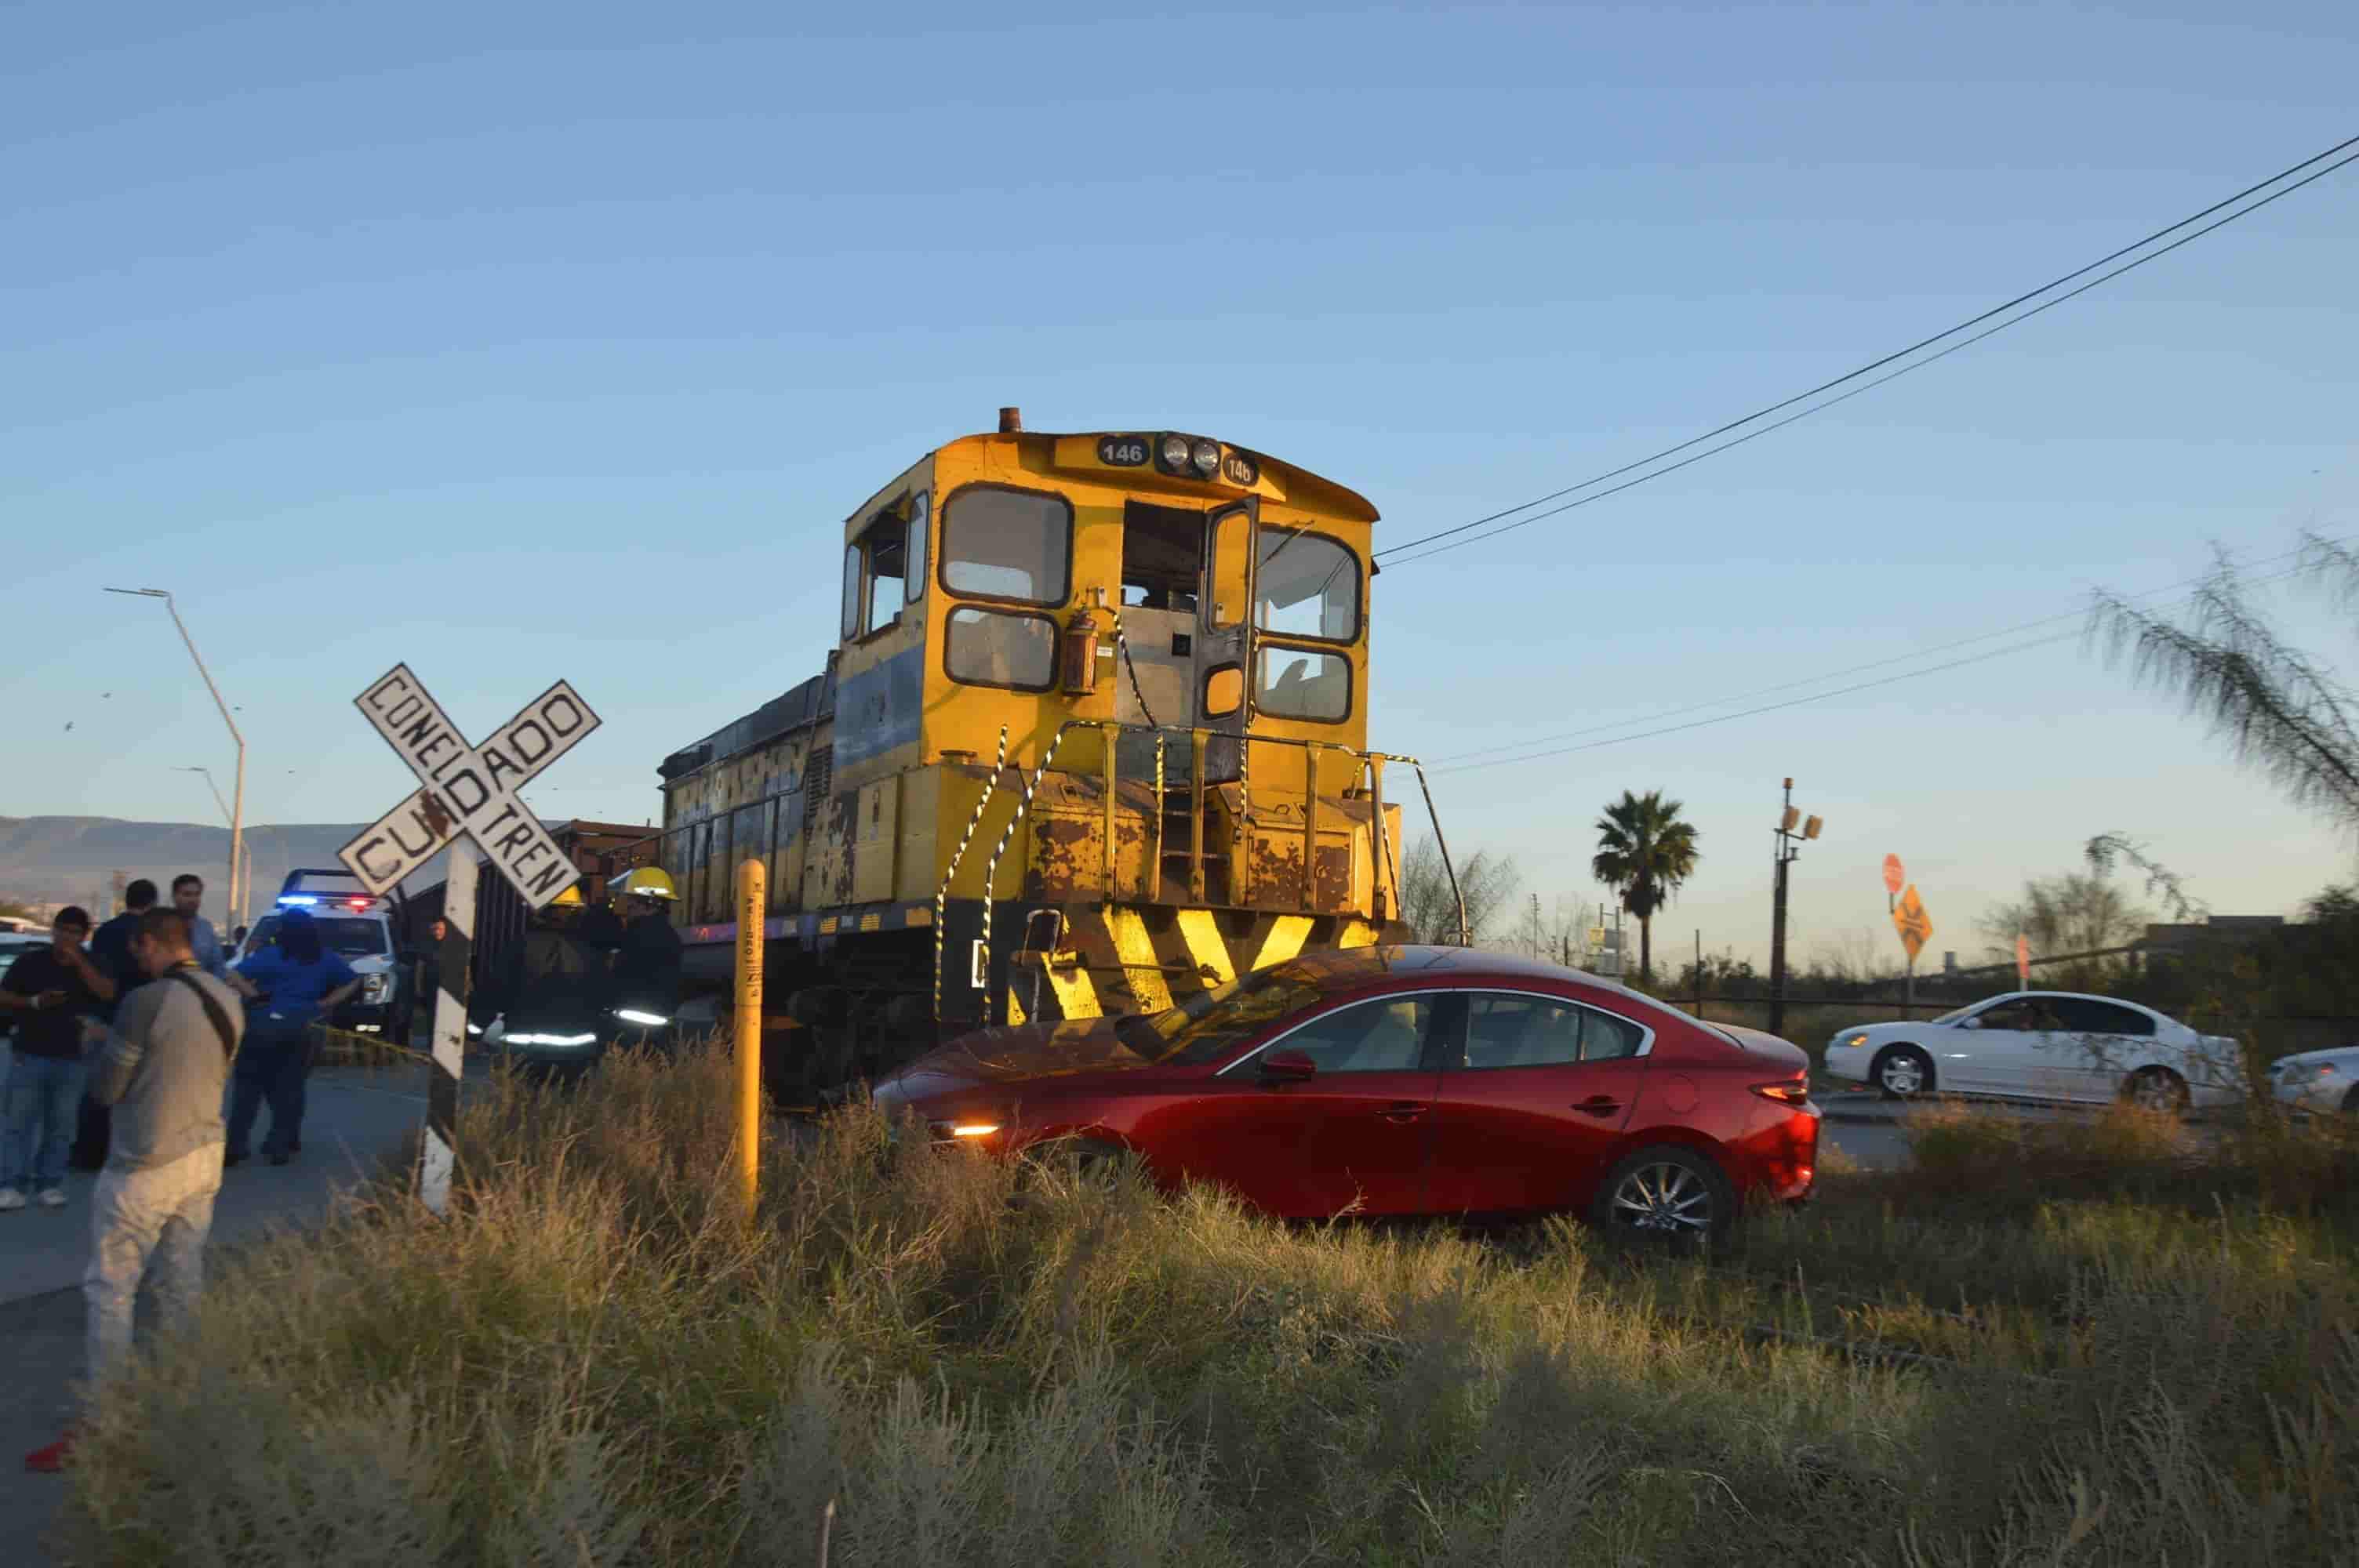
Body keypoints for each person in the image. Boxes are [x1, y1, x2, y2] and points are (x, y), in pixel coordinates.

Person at [24, 906, 242, 1474]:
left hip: (145, 1162)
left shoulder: (145, 1002)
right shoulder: (227, 995)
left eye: (139, 950)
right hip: (204, 1155)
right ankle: (177, 1404)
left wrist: (99, 1040)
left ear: (150, 944)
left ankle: (108, 1420)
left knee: (111, 1290)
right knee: (180, 1282)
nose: (136, 959)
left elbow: (106, 1090)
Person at [0, 908, 115, 1211]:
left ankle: (49, 1183)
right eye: (62, 930)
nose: (66, 937)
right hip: (29, 1050)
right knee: (19, 1122)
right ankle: (11, 1183)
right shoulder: (31, 962)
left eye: (74, 932)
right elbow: (4, 995)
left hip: (72, 1056)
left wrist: (79, 962)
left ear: (83, 936)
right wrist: (35, 1002)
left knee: (61, 1125)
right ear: (53, 930)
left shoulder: (94, 963)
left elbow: (107, 993)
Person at [224, 909, 359, 1167]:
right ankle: (280, 1146)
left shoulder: (270, 955)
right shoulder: (324, 959)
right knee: (289, 1088)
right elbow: (352, 982)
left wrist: (253, 995)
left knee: (247, 1089)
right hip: (300, 1027)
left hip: (260, 1026)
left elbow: (234, 974)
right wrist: (327, 1002)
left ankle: (236, 1145)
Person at [73, 881, 158, 1171]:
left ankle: (88, 1153)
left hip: (106, 1014)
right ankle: (129, 1153)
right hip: (142, 1017)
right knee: (138, 1090)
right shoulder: (149, 936)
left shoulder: (106, 932)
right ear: (152, 903)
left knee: (99, 1086)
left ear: (126, 900)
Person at [609, 872, 683, 1033]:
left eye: (631, 901)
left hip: (631, 1027)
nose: (627, 907)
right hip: (661, 1023)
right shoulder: (670, 935)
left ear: (644, 903)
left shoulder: (636, 936)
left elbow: (618, 977)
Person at [170, 874, 229, 979]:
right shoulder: (163, 926)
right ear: (174, 896)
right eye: (187, 894)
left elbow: (218, 965)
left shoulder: (206, 928)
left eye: (197, 894)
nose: (193, 900)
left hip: (201, 989)